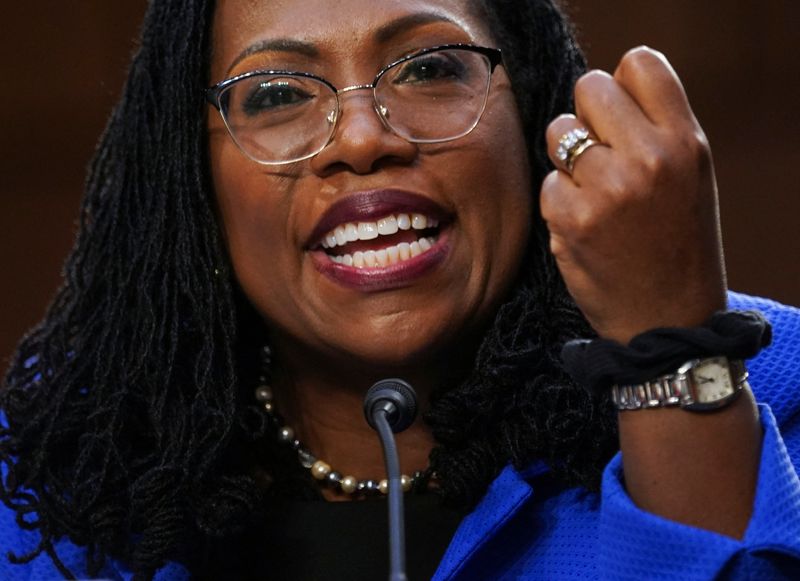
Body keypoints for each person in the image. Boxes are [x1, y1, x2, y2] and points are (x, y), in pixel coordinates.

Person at [1, 0, 799, 579]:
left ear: (534, 119)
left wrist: (671, 352)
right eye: (277, 94)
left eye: (429, 67)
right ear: (191, 179)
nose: (361, 138)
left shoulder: (773, 391)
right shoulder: (54, 474)